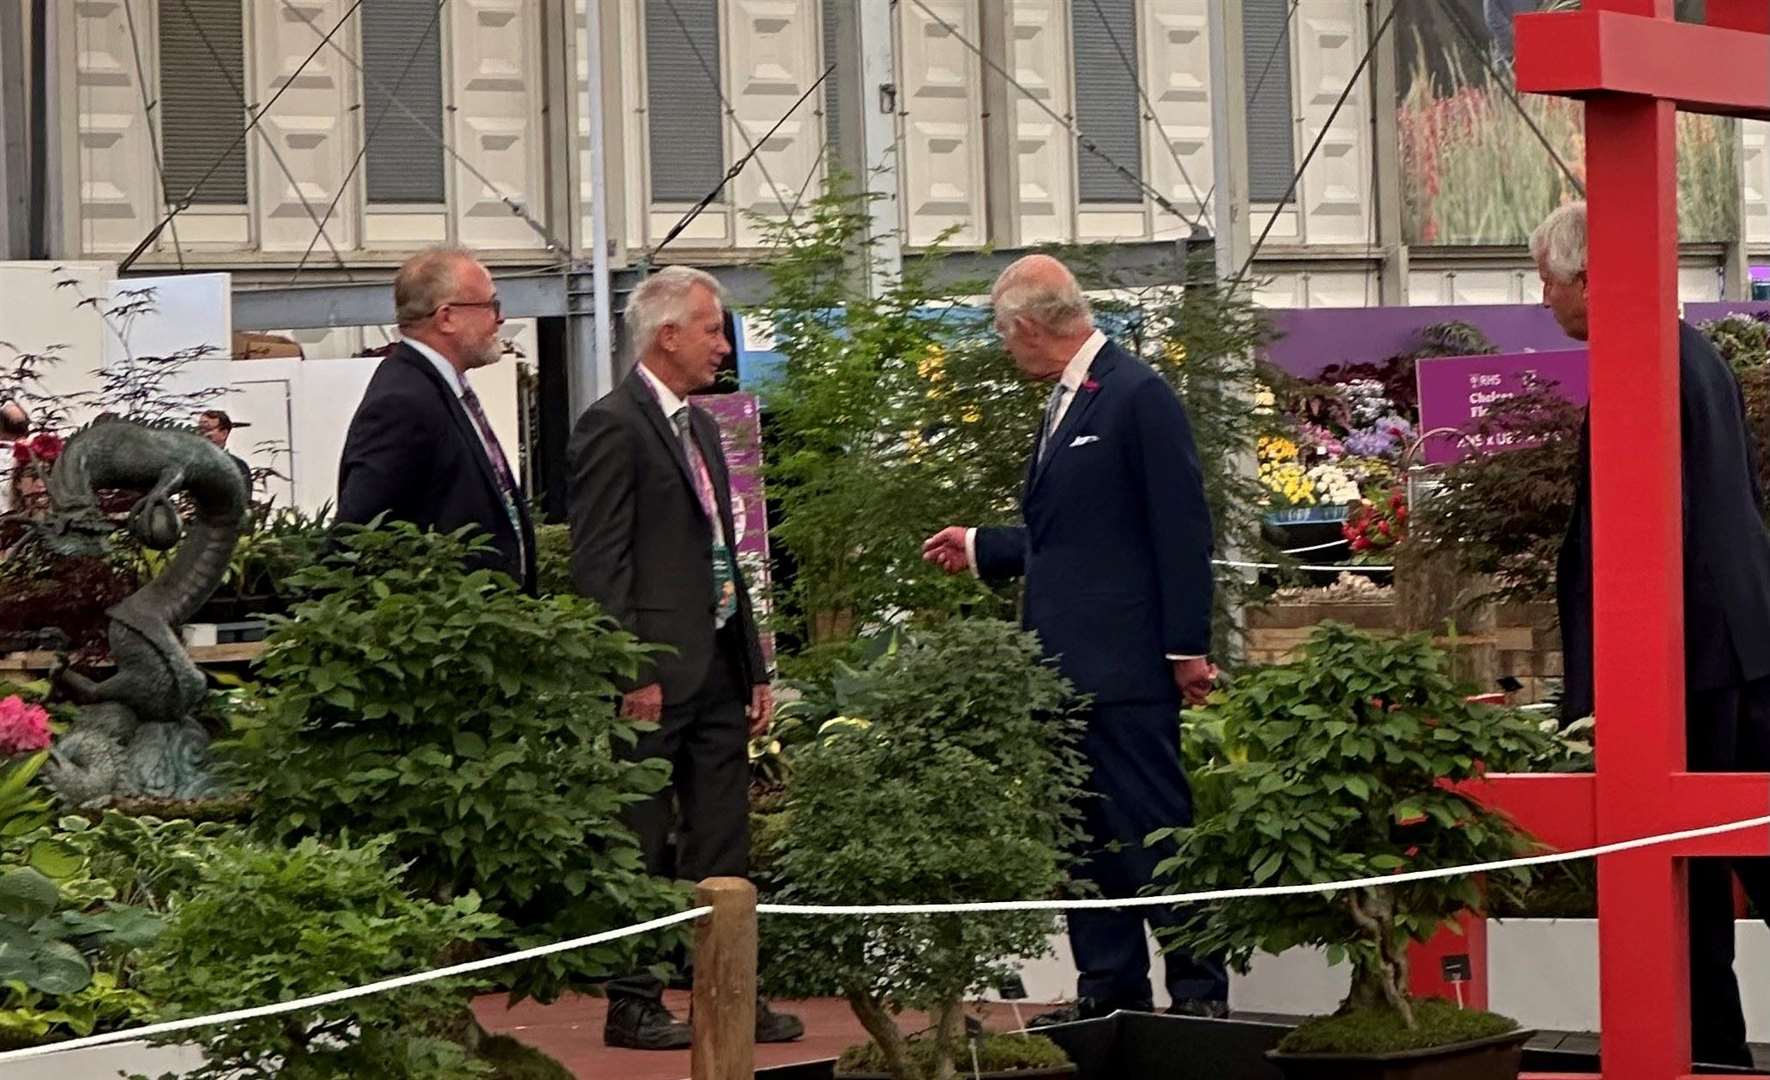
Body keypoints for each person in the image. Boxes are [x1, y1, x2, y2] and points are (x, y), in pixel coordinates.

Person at [923, 254, 1229, 1021]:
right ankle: (1108, 988)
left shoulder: (1137, 395)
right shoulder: (1069, 398)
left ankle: (1197, 991)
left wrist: (1185, 646)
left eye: (1002, 331)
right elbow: (1077, 537)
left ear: (1028, 326)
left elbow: (1182, 528)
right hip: (1063, 669)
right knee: (1082, 835)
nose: (1004, 347)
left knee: (1153, 830)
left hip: (1126, 667)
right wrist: (985, 545)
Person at [1535, 201, 1770, 1067]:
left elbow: (1625, 537)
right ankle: (1713, 1050)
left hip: (1690, 662)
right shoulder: (1696, 352)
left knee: (1685, 877)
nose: (1544, 299)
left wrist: (1598, 694)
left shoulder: (1643, 360)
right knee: (1725, 861)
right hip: (1739, 643)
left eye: (1549, 281)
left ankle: (1707, 1053)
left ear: (1590, 278)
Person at [566, 266, 801, 1051]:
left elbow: (724, 557)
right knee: (639, 840)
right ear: (667, 334)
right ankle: (631, 1002)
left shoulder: (702, 425)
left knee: (722, 841)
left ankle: (729, 996)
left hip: (718, 673)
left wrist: (756, 667)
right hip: (653, 681)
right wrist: (630, 671)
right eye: (712, 328)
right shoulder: (612, 424)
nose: (722, 344)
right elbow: (600, 565)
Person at [337, 247, 535, 592]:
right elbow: (357, 539)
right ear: (446, 317)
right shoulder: (403, 403)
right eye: (491, 306)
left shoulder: (437, 388)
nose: (499, 320)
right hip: (446, 632)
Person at [196, 409, 254, 496]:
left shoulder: (237, 466)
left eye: (207, 429)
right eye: (200, 429)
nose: (202, 434)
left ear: (224, 433)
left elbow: (242, 501)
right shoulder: (187, 462)